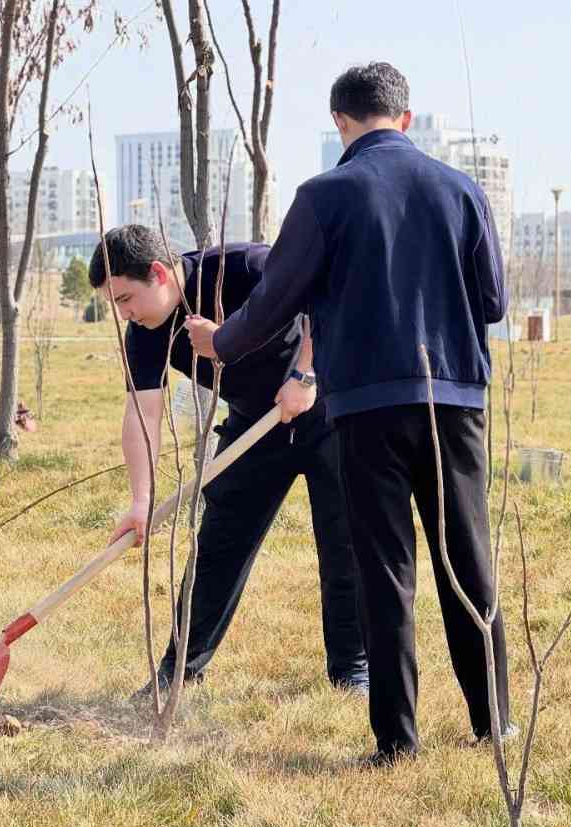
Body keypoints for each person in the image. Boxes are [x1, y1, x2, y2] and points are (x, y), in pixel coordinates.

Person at [186, 62, 511, 764]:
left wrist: (224, 343)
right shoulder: (462, 190)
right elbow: (493, 303)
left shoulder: (325, 195)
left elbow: (274, 299)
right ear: (407, 117)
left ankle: (398, 740)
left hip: (366, 403)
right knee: (468, 558)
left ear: (339, 122)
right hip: (454, 398)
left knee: (384, 567)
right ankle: (496, 722)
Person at [88, 224, 368, 696]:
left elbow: (328, 298)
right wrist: (141, 500)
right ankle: (180, 671)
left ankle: (352, 670)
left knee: (343, 543)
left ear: (158, 273)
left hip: (324, 408)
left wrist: (305, 372)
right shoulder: (146, 331)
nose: (124, 314)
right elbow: (143, 411)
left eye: (124, 299)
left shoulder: (244, 267)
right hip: (253, 426)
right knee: (219, 545)